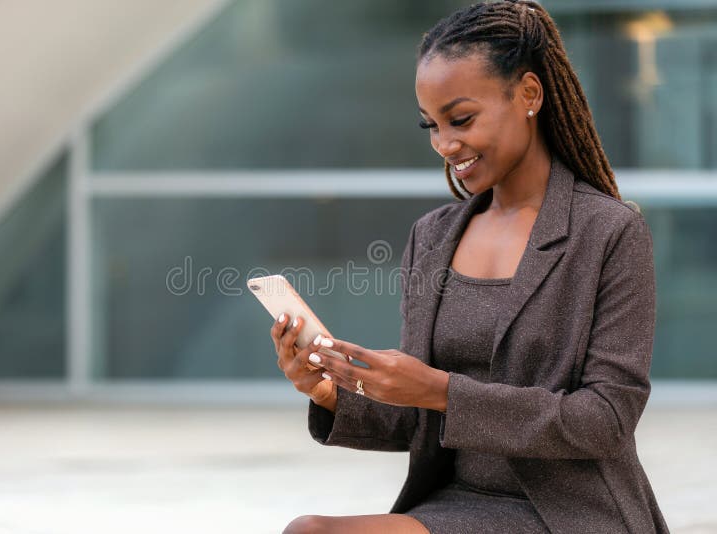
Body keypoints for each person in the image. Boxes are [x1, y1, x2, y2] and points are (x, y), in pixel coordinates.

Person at [272, 1, 669, 532]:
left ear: (529, 94)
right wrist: (329, 391)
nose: (445, 144)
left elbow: (605, 420)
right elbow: (416, 416)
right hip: (453, 502)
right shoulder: (433, 236)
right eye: (431, 125)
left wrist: (440, 389)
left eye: (461, 119)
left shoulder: (610, 232)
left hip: (568, 512)